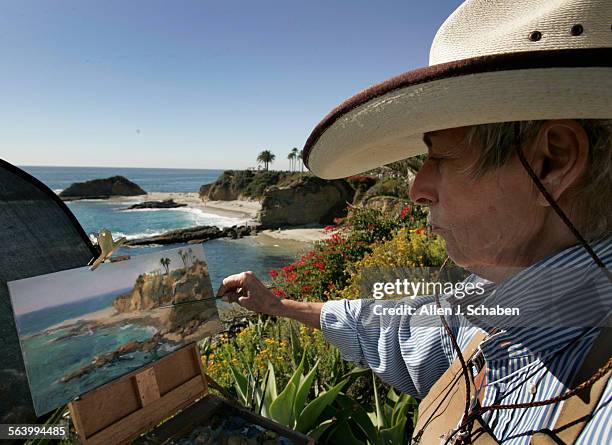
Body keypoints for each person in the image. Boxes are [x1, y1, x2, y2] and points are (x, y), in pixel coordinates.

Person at [218, 0, 611, 443]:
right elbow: (399, 326)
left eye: (441, 154)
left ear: (552, 160)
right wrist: (279, 307)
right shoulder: (502, 306)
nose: (416, 189)